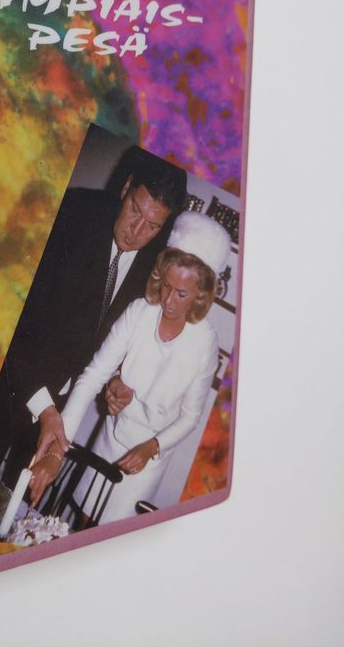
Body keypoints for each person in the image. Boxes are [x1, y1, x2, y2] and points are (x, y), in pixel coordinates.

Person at [0, 146, 187, 488]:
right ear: (126, 187)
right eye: (134, 210)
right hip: (6, 380)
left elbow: (118, 336)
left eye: (152, 226)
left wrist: (116, 378)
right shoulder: (68, 215)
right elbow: (16, 320)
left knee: (15, 501)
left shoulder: (155, 266)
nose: (135, 232)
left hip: (63, 408)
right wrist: (45, 409)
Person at [28, 211, 231, 522]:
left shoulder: (204, 344)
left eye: (182, 294)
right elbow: (93, 375)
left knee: (112, 533)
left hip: (150, 458)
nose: (168, 301)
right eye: (166, 286)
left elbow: (190, 416)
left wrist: (153, 446)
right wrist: (57, 451)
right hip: (110, 438)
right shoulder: (139, 312)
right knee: (81, 518)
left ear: (201, 295)